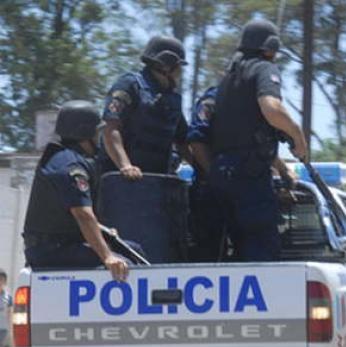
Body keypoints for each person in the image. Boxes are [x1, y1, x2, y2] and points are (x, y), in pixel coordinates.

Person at [189, 19, 307, 262]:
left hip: (223, 177)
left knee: (238, 249)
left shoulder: (225, 84)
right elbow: (271, 108)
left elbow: (249, 137)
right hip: (248, 176)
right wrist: (297, 135)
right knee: (261, 250)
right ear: (270, 48)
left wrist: (283, 170)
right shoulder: (263, 68)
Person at [23, 100, 138, 281]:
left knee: (132, 249)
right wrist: (107, 256)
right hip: (51, 250)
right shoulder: (70, 166)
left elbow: (66, 216)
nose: (99, 138)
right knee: (127, 266)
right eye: (97, 132)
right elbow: (83, 215)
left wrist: (104, 231)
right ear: (85, 132)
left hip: (57, 246)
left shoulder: (65, 158)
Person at [99, 35, 190, 179]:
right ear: (166, 65)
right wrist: (125, 166)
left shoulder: (172, 99)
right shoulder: (130, 85)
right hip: (122, 181)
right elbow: (110, 128)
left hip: (156, 183)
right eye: (179, 66)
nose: (180, 72)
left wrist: (202, 169)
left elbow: (183, 141)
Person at [0, 270, 11, 347]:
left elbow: (9, 312)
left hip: (3, 328)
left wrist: (10, 328)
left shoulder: (8, 297)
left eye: (2, 280)